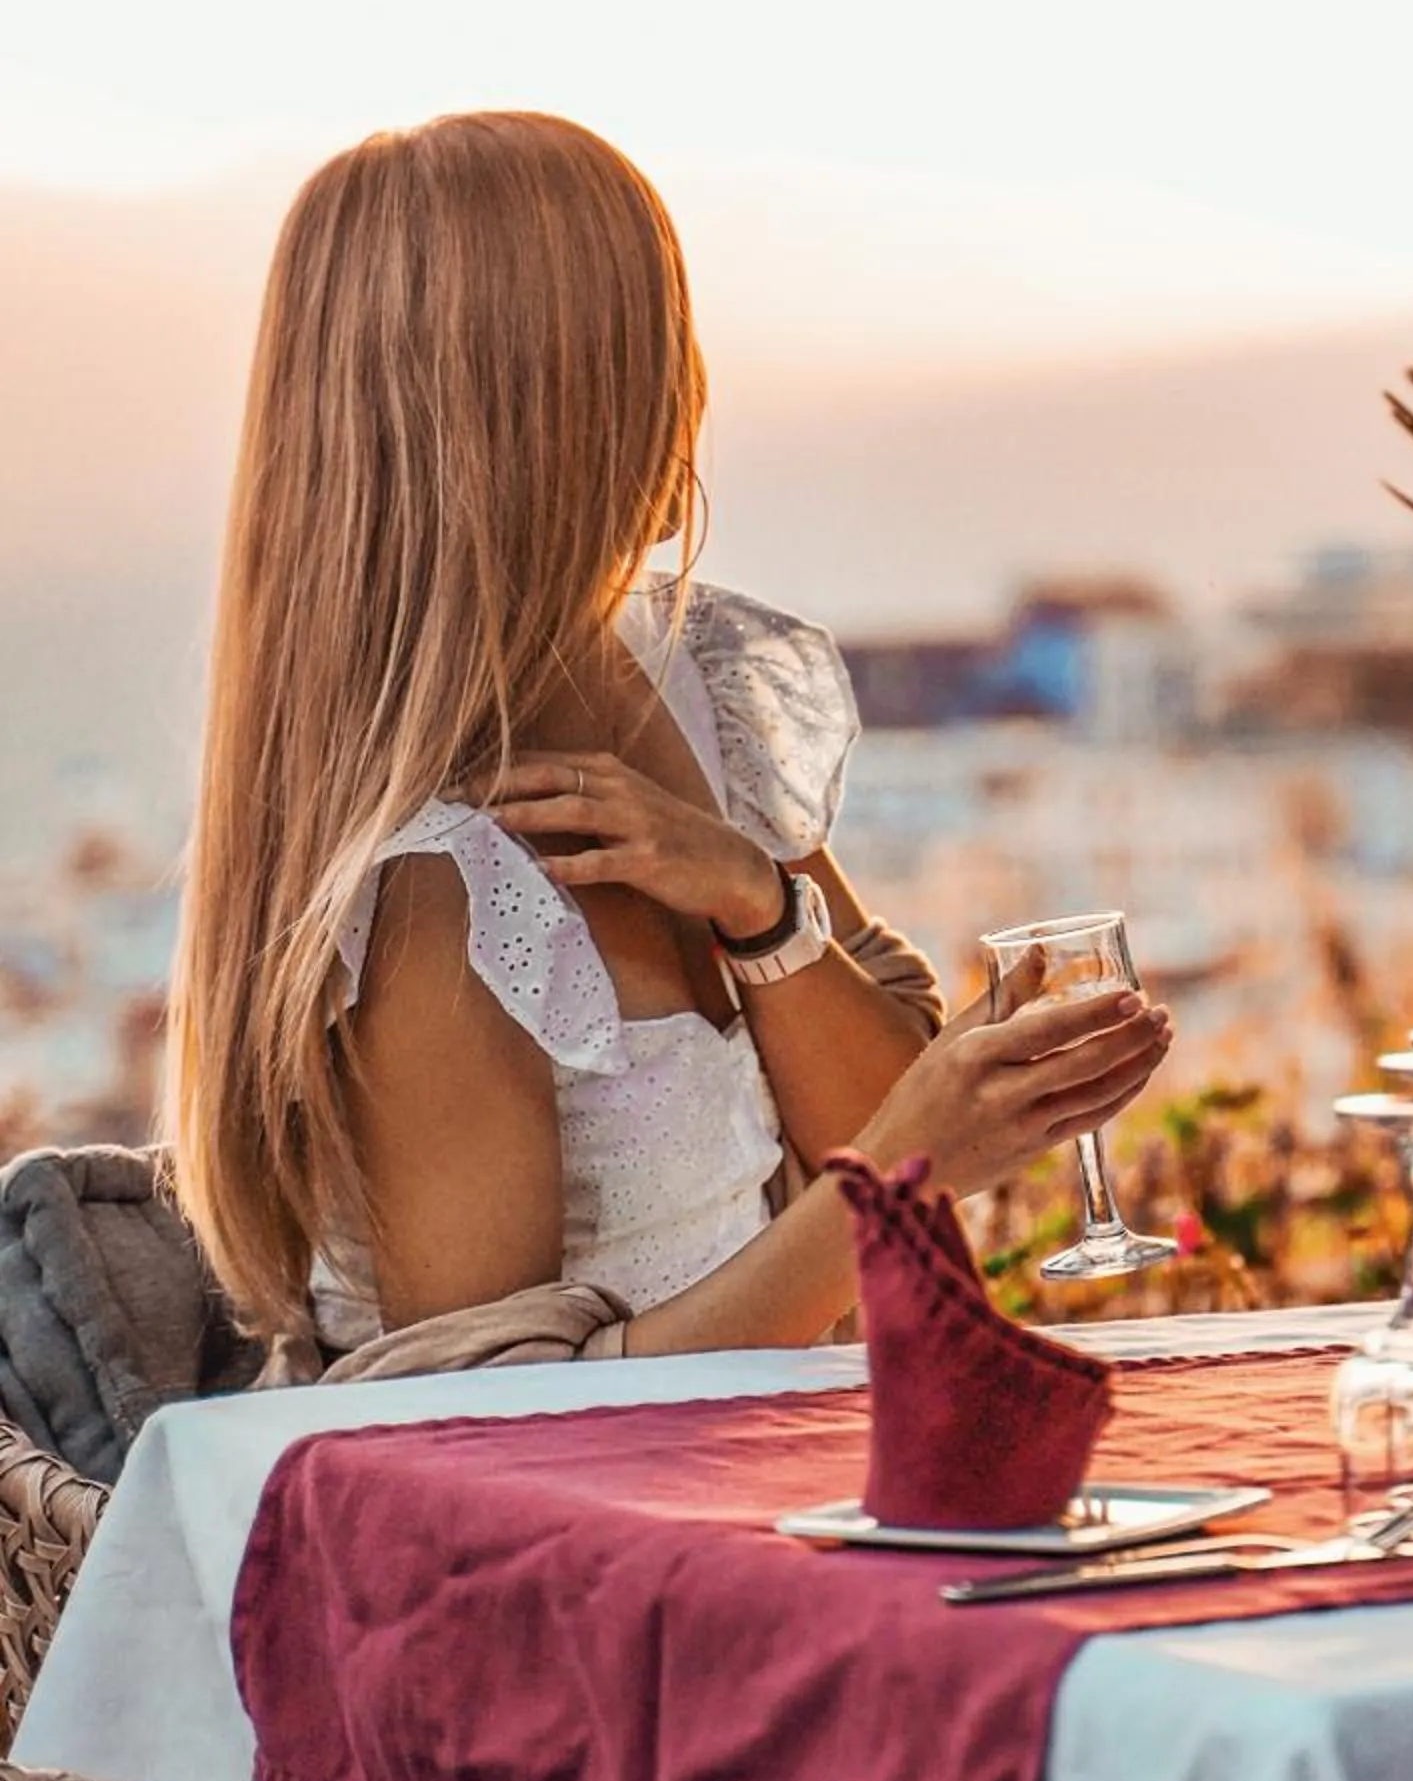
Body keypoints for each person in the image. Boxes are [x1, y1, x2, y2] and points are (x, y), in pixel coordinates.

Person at [168, 111, 1171, 1357]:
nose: (690, 379)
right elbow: (483, 1427)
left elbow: (875, 1110)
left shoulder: (687, 677)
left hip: (768, 1478)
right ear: (545, 396)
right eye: (649, 332)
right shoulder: (432, 883)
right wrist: (904, 1172)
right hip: (557, 1532)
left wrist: (758, 907)